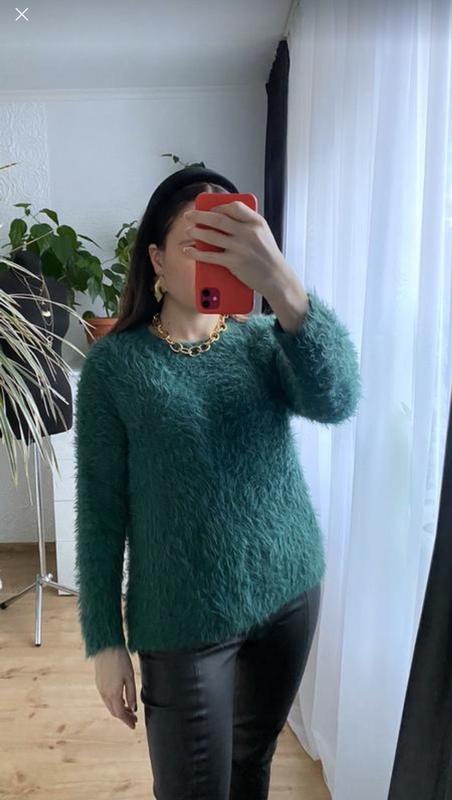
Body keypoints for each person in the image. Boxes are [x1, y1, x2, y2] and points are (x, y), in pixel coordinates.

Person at [74, 165, 362, 799]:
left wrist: (283, 286)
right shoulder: (115, 367)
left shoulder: (264, 340)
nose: (214, 257)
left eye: (228, 242)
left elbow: (338, 398)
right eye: (196, 243)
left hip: (289, 593)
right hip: (182, 619)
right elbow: (100, 511)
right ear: (156, 259)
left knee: (251, 763)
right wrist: (104, 640)